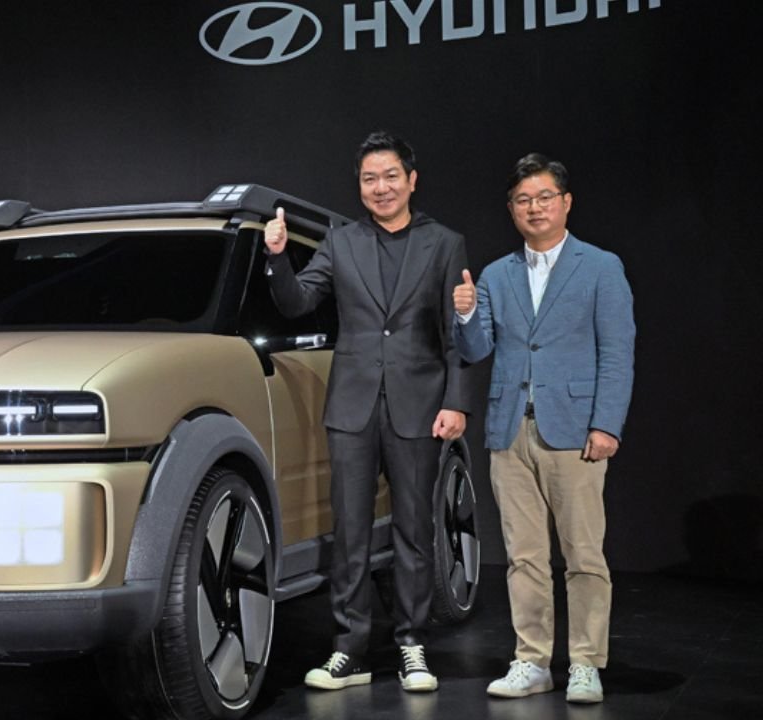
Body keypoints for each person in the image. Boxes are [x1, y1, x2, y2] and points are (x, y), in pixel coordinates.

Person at [264, 131, 471, 693]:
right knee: (350, 531)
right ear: (359, 185)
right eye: (369, 179)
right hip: (352, 406)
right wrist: (277, 258)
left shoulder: (444, 243)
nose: (380, 187)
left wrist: (456, 401)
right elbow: (297, 302)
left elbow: (455, 331)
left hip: (419, 405)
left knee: (413, 529)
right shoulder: (340, 241)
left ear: (411, 180)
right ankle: (349, 650)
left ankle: (411, 643)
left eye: (390, 176)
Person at [452, 154, 634, 704]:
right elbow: (476, 350)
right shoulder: (495, 274)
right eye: (523, 200)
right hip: (510, 430)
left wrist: (606, 424)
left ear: (566, 202)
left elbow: (617, 353)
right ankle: (532, 661)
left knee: (583, 555)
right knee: (523, 556)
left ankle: (585, 663)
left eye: (544, 197)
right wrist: (465, 314)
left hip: (575, 431)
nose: (534, 207)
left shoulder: (600, 266)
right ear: (511, 209)